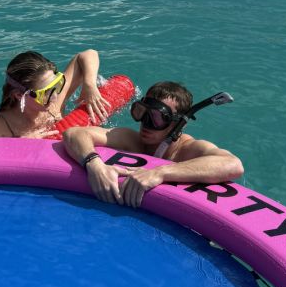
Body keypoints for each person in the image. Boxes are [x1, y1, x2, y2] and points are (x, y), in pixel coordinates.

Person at [63, 80, 244, 208]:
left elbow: (233, 164)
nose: (146, 123)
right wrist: (93, 164)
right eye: (143, 112)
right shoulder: (132, 140)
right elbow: (74, 133)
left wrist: (160, 172)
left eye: (157, 118)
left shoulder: (186, 150)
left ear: (179, 124)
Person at [0, 49, 108, 139]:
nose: (55, 97)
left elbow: (88, 54)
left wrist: (89, 85)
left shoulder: (54, 103)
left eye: (56, 85)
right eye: (45, 93)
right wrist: (18, 145)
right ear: (19, 95)